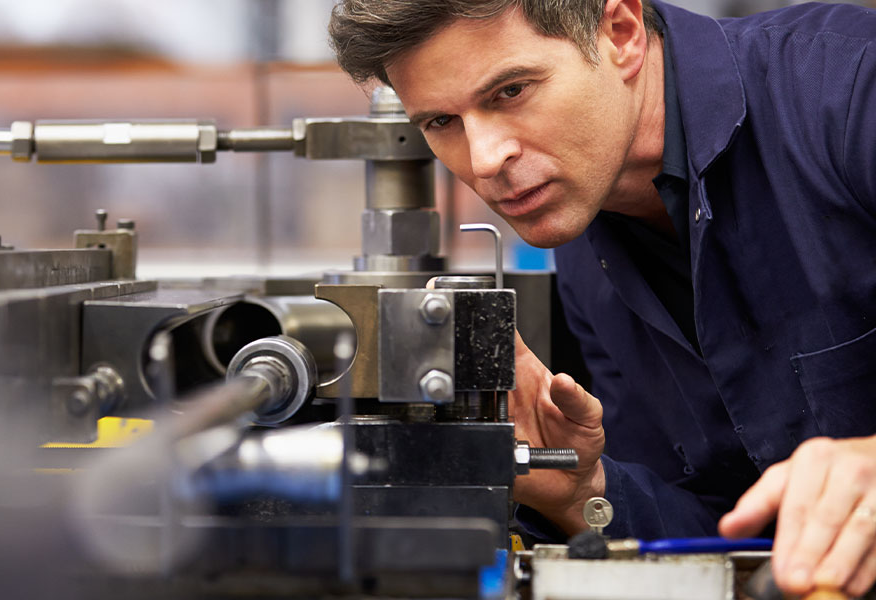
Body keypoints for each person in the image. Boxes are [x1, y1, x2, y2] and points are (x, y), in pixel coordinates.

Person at [329, 0, 876, 595]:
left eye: (510, 91)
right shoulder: (584, 248)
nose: (485, 160)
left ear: (621, 33)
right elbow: (726, 540)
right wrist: (586, 492)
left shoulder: (850, 94)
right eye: (441, 122)